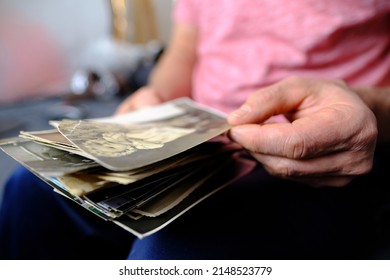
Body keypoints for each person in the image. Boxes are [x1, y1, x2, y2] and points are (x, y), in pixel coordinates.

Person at [1, 0, 390, 259]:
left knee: (168, 256)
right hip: (201, 146)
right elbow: (185, 49)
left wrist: (370, 109)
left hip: (331, 164)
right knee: (28, 192)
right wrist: (157, 95)